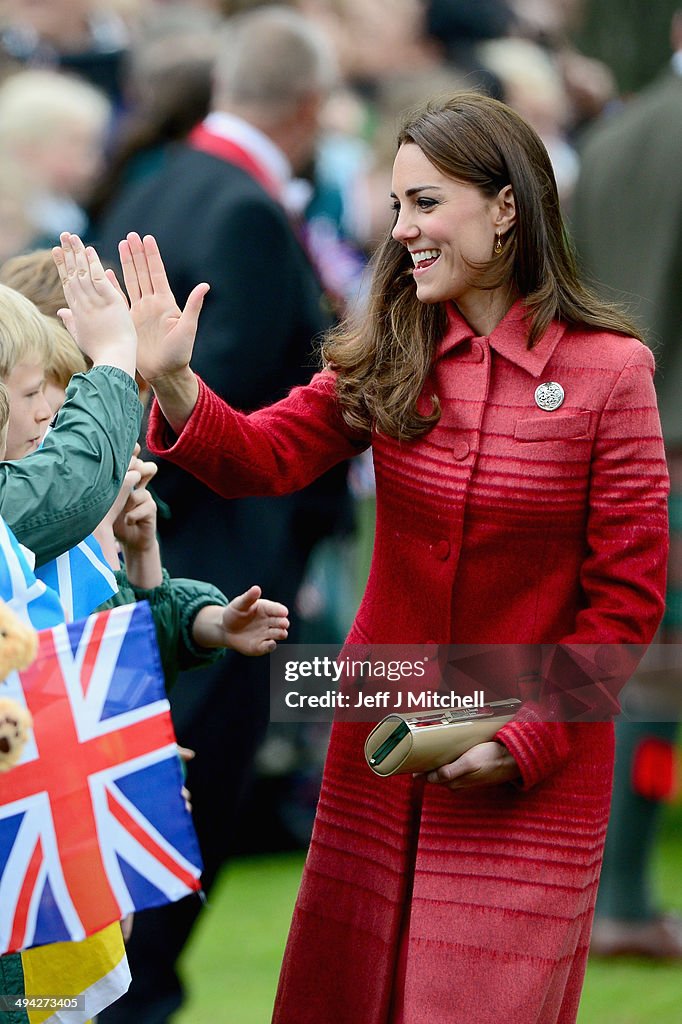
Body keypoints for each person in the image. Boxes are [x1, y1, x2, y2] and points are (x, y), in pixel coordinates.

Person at [113, 89, 669, 1023]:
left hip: (532, 773)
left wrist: (521, 738)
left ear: (506, 207)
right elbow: (263, 457)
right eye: (398, 203)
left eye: (428, 203)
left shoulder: (613, 375)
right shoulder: (392, 345)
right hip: (379, 743)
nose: (401, 227)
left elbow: (626, 610)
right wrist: (173, 378)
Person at [93, 8, 352, 1021]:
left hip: (175, 554)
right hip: (211, 566)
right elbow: (219, 414)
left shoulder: (163, 173)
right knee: (182, 810)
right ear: (308, 104)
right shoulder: (242, 207)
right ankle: (135, 997)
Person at [569, 9, 682, 960]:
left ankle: (614, 895)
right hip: (674, 448)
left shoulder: (610, 137)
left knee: (631, 677)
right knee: (653, 687)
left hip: (607, 441)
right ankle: (623, 902)